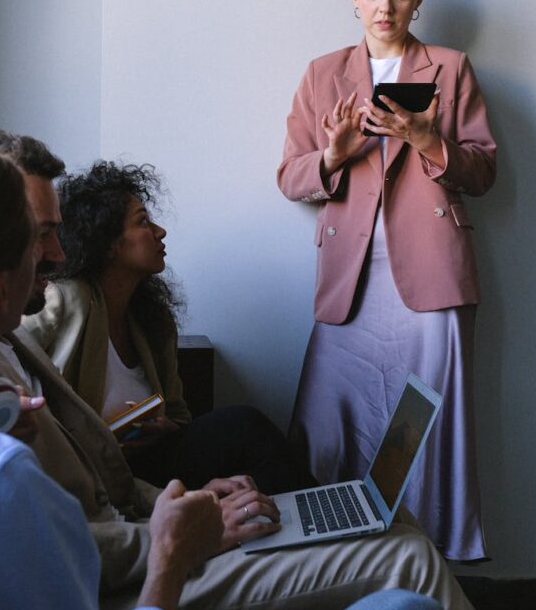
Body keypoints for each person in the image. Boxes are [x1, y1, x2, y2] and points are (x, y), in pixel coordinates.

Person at [0, 125, 536, 610]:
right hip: (129, 576)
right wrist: (183, 533)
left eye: (57, 233)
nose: (57, 254)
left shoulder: (19, 342)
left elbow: (106, 479)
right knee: (403, 560)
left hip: (148, 520)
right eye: (42, 236)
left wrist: (191, 501)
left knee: (393, 525)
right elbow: (69, 535)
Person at [278, 0, 496, 562]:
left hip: (431, 272)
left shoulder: (450, 68)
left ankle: (428, 563)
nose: (385, 6)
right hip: (351, 276)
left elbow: (483, 173)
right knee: (332, 421)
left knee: (424, 423)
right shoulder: (323, 74)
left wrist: (431, 141)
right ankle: (337, 561)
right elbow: (291, 177)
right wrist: (333, 155)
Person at [23, 159, 316, 495]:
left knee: (245, 436)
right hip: (86, 470)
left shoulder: (152, 319)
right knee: (243, 426)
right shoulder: (67, 298)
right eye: (143, 222)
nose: (160, 231)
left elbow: (180, 415)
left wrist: (166, 429)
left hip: (145, 463)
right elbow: (9, 352)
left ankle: (311, 523)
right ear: (107, 243)